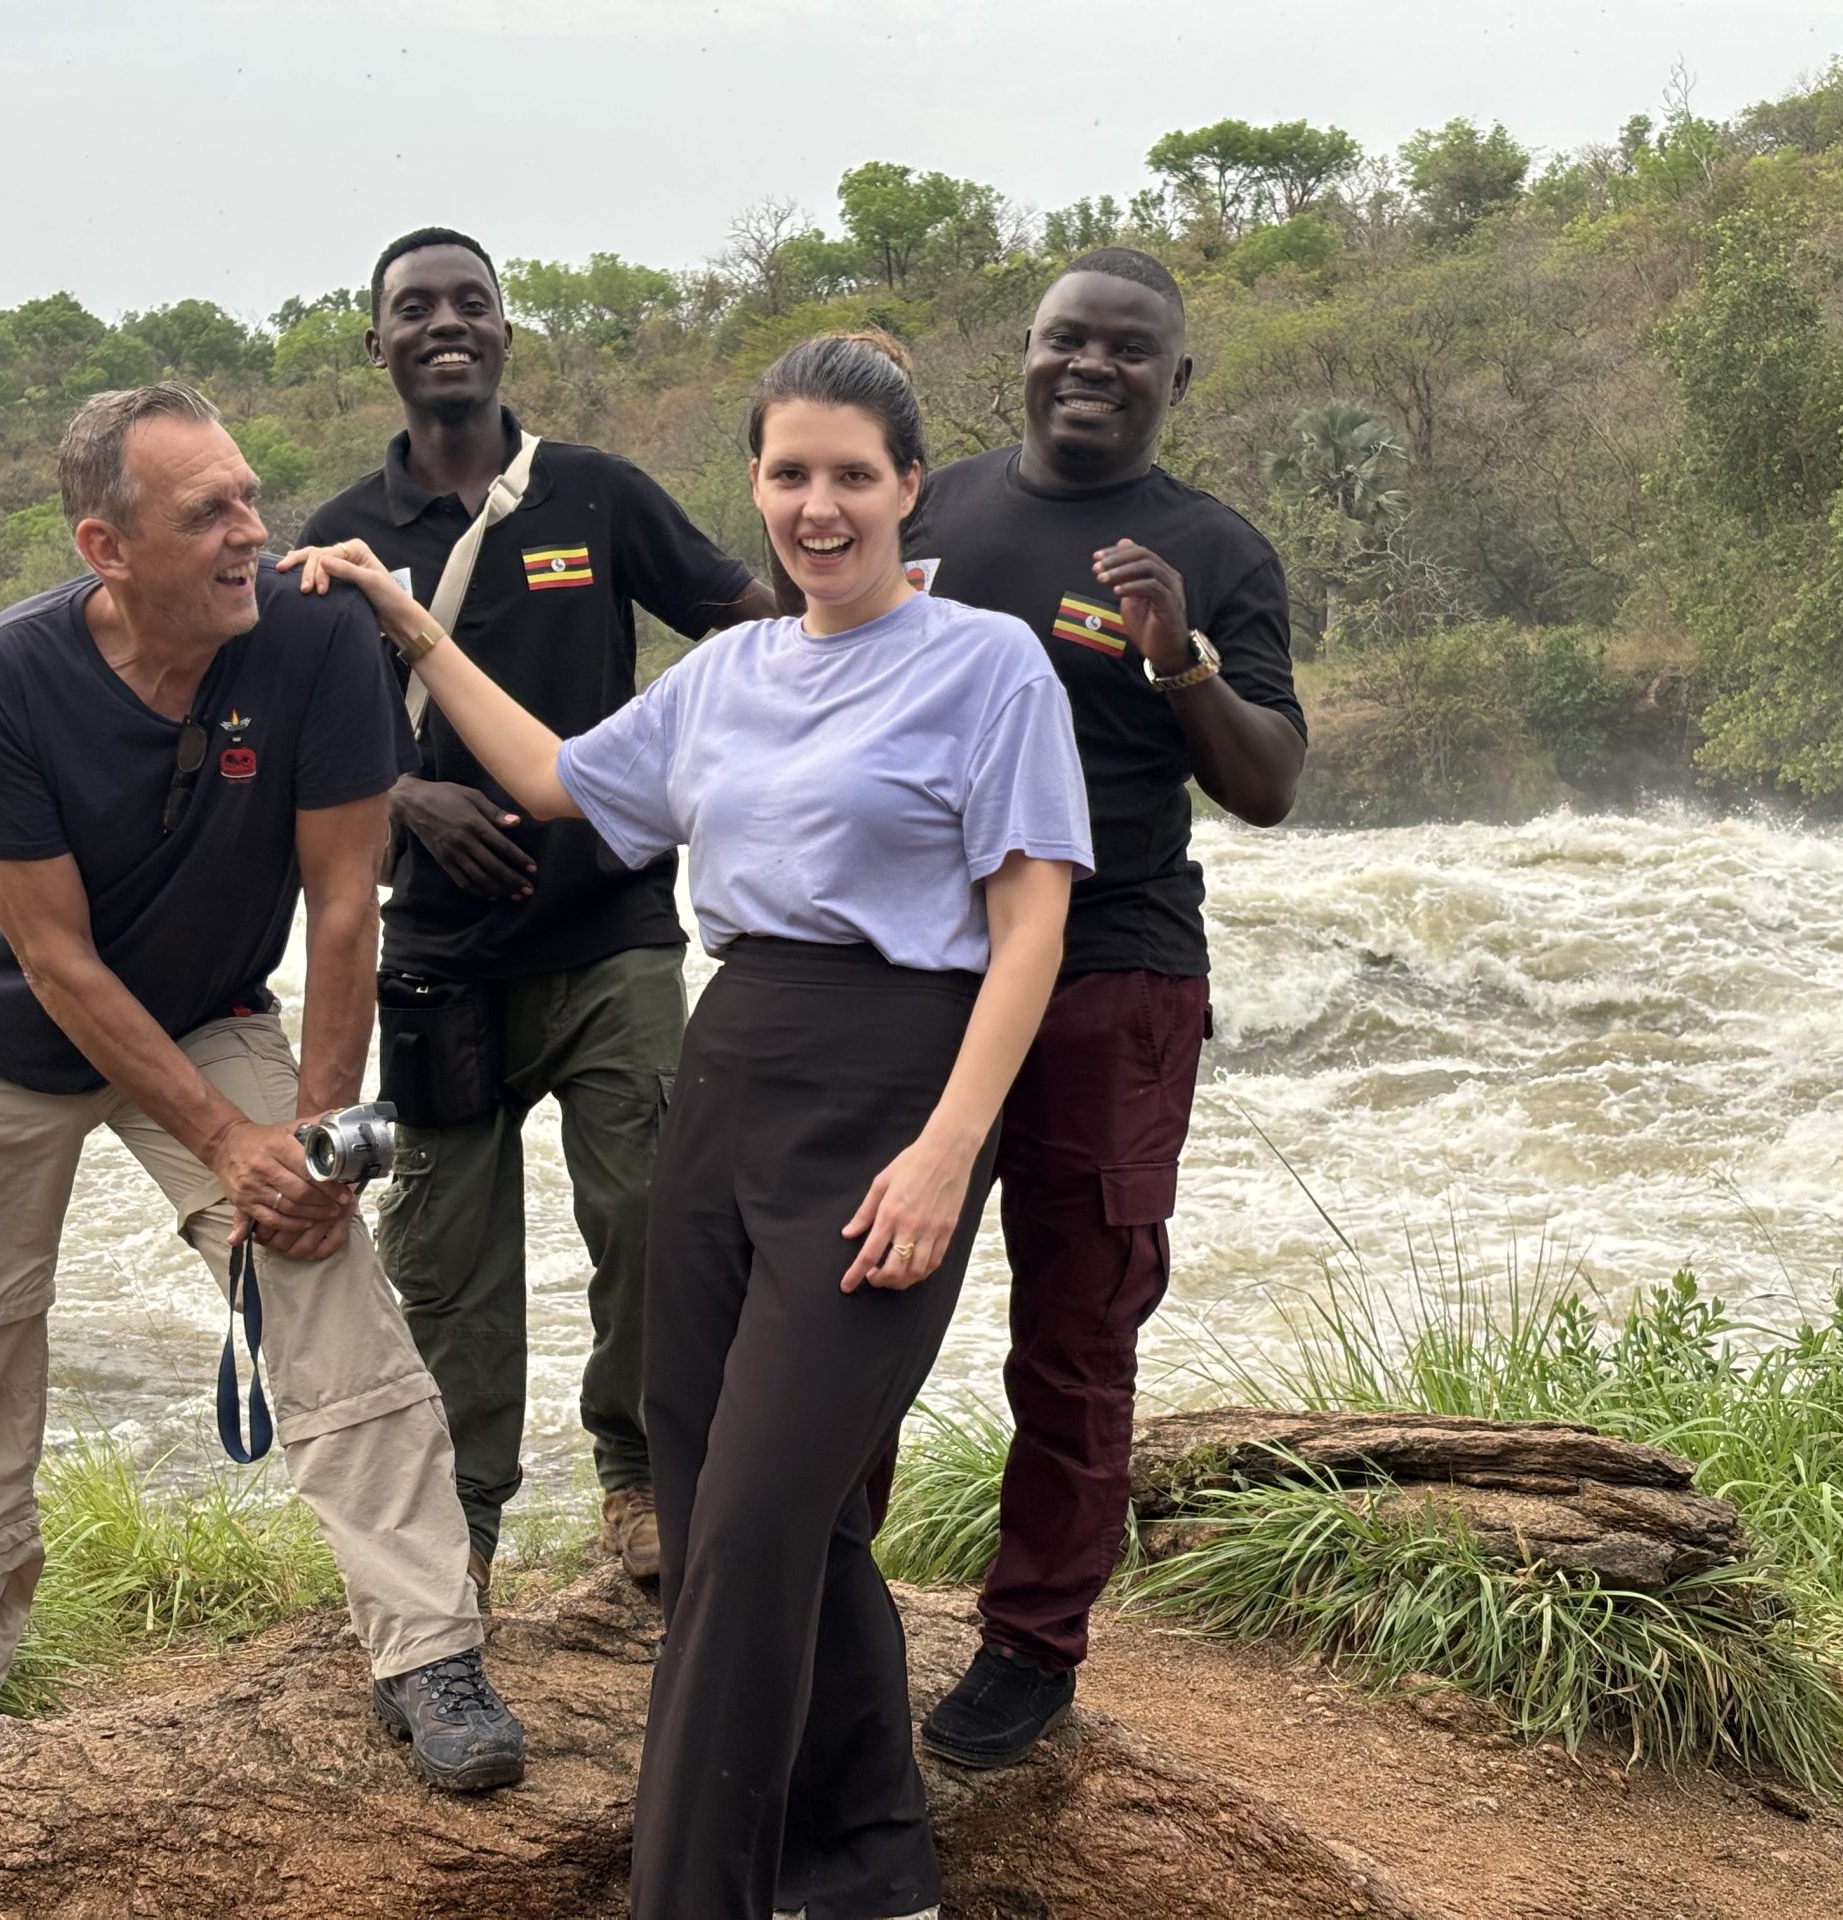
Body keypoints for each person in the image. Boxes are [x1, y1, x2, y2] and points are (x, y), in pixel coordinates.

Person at [283, 331, 1091, 1920]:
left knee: (758, 1522)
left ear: (908, 487)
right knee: (734, 1486)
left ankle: (691, 1891)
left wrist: (947, 1151)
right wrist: (404, 624)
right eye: (789, 473)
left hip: (895, 1079)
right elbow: (554, 781)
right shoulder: (726, 673)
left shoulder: (988, 663)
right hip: (730, 1072)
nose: (818, 506)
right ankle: (867, 1867)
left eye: (852, 474)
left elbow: (1033, 927)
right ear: (759, 487)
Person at [0, 382, 520, 1795]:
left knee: (327, 1284)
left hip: (208, 1010)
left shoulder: (319, 638)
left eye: (251, 498)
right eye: (208, 513)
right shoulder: (3, 678)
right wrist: (224, 1140)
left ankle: (429, 1655)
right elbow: (51, 957)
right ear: (107, 545)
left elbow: (346, 904)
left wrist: (315, 1152)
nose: (252, 533)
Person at [297, 228, 778, 1601]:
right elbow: (286, 740)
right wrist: (405, 803)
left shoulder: (597, 497)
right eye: (415, 308)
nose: (447, 323)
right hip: (439, 957)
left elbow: (754, 640)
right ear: (374, 345)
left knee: (650, 1214)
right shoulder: (340, 540)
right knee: (447, 1253)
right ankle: (465, 1529)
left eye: (472, 302)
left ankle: (635, 1482)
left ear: (507, 330)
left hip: (612, 928)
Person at [902, 249, 1308, 1769]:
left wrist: (1180, 659)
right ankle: (825, 1591)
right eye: (1065, 339)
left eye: (1128, 350)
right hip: (924, 971)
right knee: (868, 1285)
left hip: (1112, 976)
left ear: (1177, 378)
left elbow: (1265, 785)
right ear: (1021, 354)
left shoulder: (1214, 548)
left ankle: (1032, 1644)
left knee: (1078, 1322)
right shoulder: (932, 515)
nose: (1091, 364)